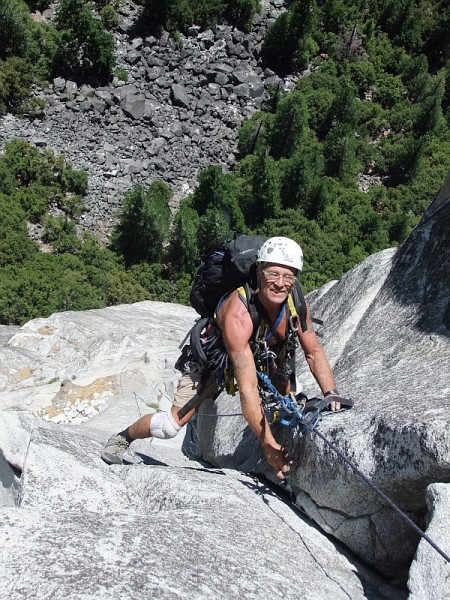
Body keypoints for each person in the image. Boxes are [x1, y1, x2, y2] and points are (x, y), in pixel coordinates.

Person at [101, 236, 342, 480]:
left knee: (287, 401)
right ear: (259, 272)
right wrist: (268, 445)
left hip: (263, 355)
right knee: (168, 427)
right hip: (214, 359)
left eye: (288, 276)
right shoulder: (238, 313)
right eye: (273, 274)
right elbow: (247, 389)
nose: (280, 283)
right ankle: (123, 437)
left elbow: (313, 351)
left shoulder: (296, 303)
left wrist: (330, 392)